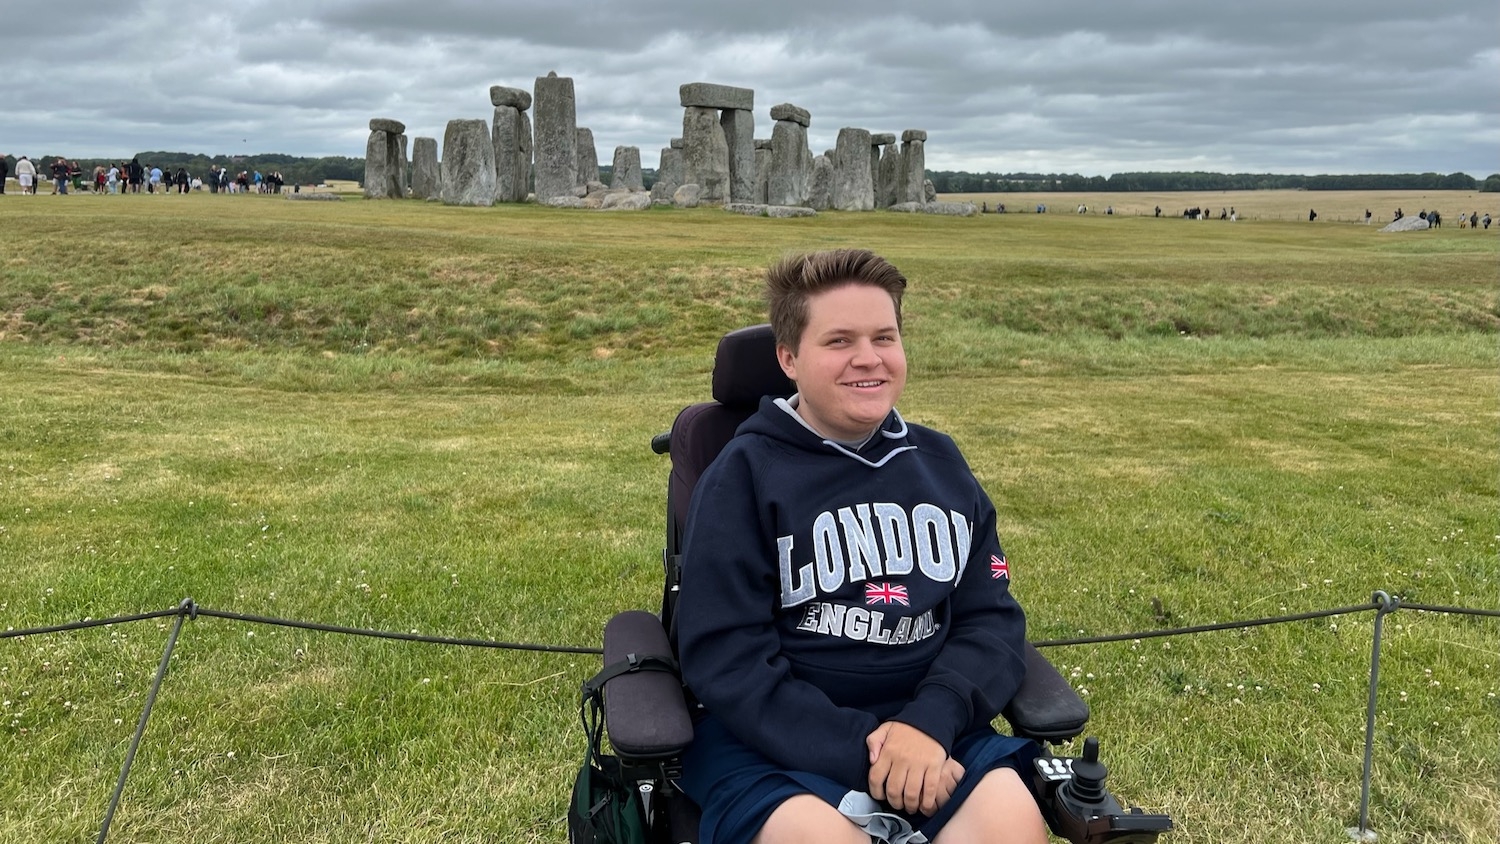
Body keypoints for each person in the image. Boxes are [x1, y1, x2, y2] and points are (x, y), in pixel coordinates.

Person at [676, 249, 1047, 844]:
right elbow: (726, 654)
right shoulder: (742, 475)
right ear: (789, 358)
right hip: (775, 743)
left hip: (934, 733)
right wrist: (873, 755)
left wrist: (931, 721)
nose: (868, 359)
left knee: (1011, 818)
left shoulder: (943, 465)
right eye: (839, 341)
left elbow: (991, 618)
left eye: (884, 337)